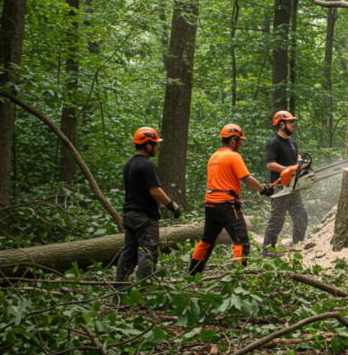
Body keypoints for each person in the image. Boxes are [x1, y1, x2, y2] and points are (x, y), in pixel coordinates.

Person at [188, 124, 276, 275]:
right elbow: (247, 179)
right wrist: (263, 190)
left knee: (206, 241)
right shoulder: (233, 156)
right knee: (241, 241)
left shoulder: (213, 157)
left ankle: (192, 274)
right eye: (240, 141)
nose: (241, 144)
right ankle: (239, 276)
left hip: (210, 205)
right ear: (233, 141)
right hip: (227, 205)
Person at [115, 127, 181, 289]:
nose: (157, 148)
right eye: (155, 145)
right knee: (148, 252)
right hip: (144, 217)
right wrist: (172, 205)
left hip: (129, 215)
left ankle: (119, 288)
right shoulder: (147, 165)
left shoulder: (128, 164)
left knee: (128, 253)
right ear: (148, 146)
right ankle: (148, 290)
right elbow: (155, 191)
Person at [262, 110, 309, 256]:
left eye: (292, 122)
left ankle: (298, 245)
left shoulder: (292, 142)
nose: (293, 124)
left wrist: (299, 166)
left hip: (293, 187)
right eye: (290, 122)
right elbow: (270, 164)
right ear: (281, 124)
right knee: (277, 220)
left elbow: (295, 161)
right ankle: (268, 250)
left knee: (301, 216)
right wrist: (287, 170)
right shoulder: (274, 142)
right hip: (280, 187)